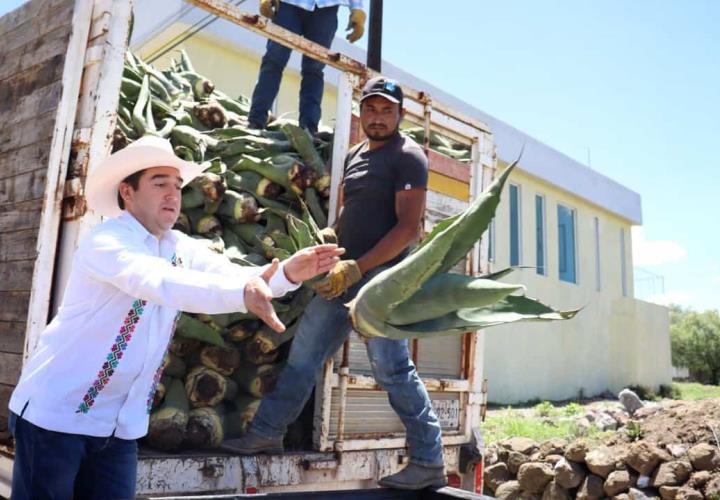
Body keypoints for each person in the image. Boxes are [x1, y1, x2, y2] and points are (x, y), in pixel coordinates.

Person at [7, 136, 343, 499]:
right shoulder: (106, 242)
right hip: (57, 419)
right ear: (128, 192)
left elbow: (229, 275)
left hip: (120, 429)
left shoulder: (178, 246)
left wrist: (286, 275)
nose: (173, 194)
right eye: (159, 183)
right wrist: (242, 293)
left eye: (178, 186)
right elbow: (157, 280)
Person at [224, 77, 447, 490]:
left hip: (381, 280)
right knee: (303, 355)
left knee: (392, 369)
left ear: (400, 114)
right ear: (361, 112)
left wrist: (360, 269)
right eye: (371, 109)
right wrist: (332, 238)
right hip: (342, 274)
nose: (377, 118)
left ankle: (429, 460)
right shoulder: (356, 154)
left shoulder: (408, 156)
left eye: (386, 110)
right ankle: (268, 431)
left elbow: (409, 229)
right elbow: (351, 211)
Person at [248, 0, 366, 133]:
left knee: (314, 70)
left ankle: (309, 128)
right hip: (289, 5)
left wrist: (357, 7)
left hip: (326, 8)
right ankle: (256, 120)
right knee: (274, 59)